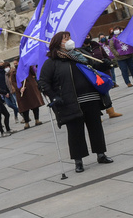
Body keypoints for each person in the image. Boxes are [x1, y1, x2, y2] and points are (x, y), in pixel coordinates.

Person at [38, 31, 115, 174]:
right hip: (70, 102)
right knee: (75, 133)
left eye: (69, 38)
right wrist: (54, 96)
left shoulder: (80, 55)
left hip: (91, 98)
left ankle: (101, 154)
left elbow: (94, 68)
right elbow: (43, 82)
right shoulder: (52, 63)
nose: (69, 41)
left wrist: (104, 65)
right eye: (65, 39)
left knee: (96, 127)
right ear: (57, 43)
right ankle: (78, 161)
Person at [8, 62, 44, 130]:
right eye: (14, 63)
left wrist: (29, 66)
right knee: (24, 107)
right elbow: (13, 82)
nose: (15, 64)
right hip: (21, 91)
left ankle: (37, 119)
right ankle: (26, 122)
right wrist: (19, 88)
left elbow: (33, 73)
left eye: (16, 62)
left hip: (30, 89)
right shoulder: (14, 72)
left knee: (35, 105)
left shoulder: (27, 68)